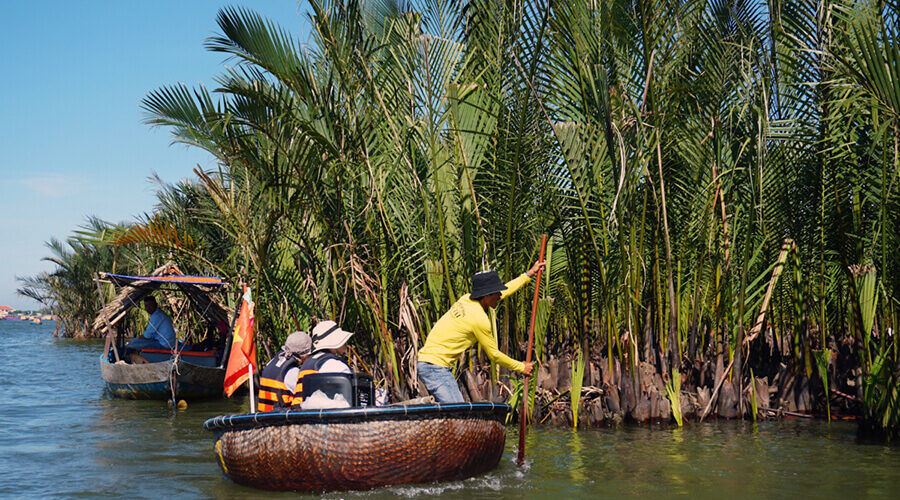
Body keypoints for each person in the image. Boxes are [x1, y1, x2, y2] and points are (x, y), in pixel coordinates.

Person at [416, 260, 543, 403]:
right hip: (435, 368)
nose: (500, 295)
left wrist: (528, 274)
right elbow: (494, 355)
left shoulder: (466, 299)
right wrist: (521, 367)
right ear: (487, 295)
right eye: (497, 292)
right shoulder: (479, 319)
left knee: (456, 412)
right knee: (459, 414)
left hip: (430, 364)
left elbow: (505, 291)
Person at [257, 331, 313, 411]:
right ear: (303, 356)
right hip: (280, 420)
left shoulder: (271, 363)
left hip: (264, 416)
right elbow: (307, 397)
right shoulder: (293, 372)